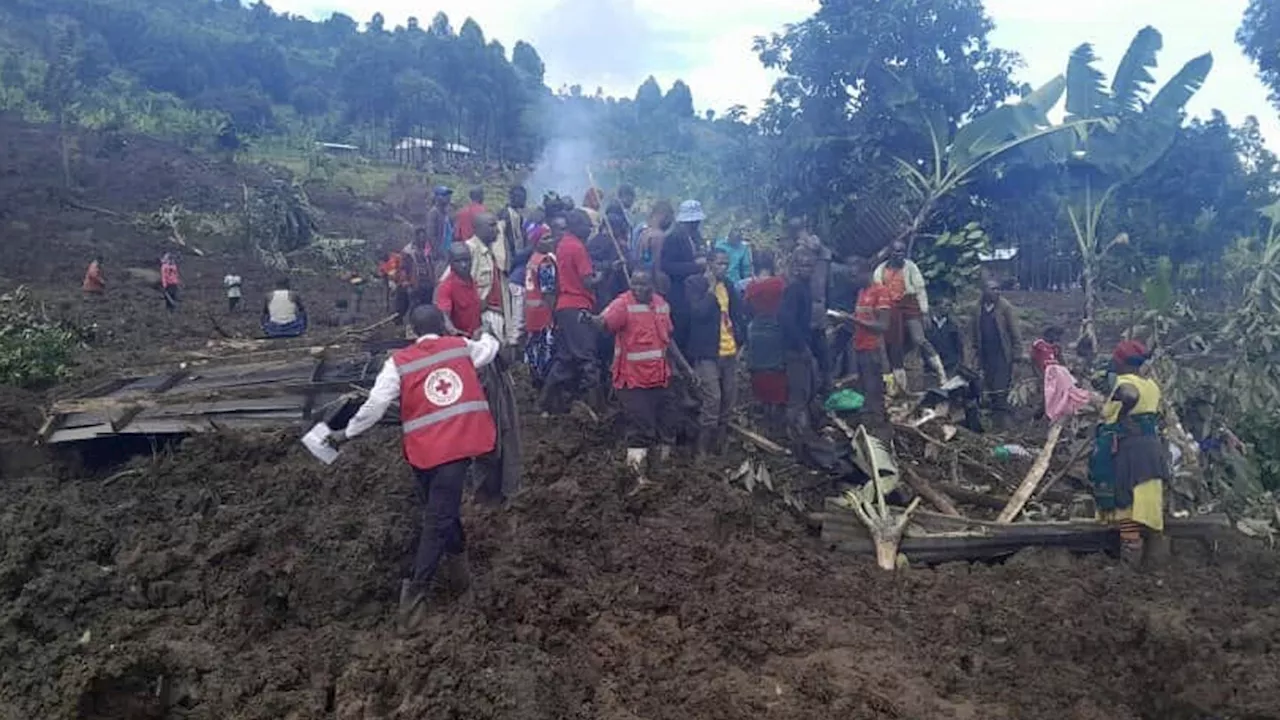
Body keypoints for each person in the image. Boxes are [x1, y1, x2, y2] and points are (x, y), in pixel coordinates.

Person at [327, 305, 500, 623]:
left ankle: (435, 590)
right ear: (444, 325)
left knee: (437, 515)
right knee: (440, 517)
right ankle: (436, 590)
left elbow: (375, 405)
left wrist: (346, 433)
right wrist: (486, 333)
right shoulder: (460, 347)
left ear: (410, 331)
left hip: (423, 453)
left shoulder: (398, 362)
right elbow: (490, 349)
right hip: (457, 447)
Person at [589, 269, 694, 488]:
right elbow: (604, 323)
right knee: (641, 428)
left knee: (668, 424)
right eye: (634, 284)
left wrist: (686, 368)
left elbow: (669, 341)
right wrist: (590, 320)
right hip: (632, 380)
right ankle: (635, 477)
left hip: (659, 378)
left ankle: (663, 470)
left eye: (643, 284)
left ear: (652, 285)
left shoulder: (662, 305)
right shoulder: (622, 304)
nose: (638, 289)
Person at [1090, 340, 1169, 563]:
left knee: (1126, 503)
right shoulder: (1152, 385)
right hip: (1151, 448)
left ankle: (1129, 565)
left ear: (1121, 361)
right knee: (1145, 499)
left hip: (1128, 450)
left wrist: (1098, 403)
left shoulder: (1123, 382)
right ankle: (1154, 557)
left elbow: (1109, 412)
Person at [541, 209, 600, 414]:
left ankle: (546, 403)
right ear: (577, 226)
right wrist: (606, 273)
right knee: (587, 357)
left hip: (564, 307)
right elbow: (588, 281)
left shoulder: (563, 244)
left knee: (565, 357)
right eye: (587, 226)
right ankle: (594, 406)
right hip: (577, 306)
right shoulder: (578, 247)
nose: (590, 229)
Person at [686, 249, 744, 455]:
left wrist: (740, 341)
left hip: (728, 350)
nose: (724, 268)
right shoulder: (694, 284)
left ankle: (720, 446)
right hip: (707, 352)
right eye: (720, 263)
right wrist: (711, 289)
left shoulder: (728, 285)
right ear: (709, 264)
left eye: (726, 264)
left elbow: (737, 314)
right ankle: (701, 449)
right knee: (713, 399)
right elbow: (698, 313)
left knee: (729, 398)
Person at [875, 240, 948, 390]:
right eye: (896, 251)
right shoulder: (880, 270)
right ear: (890, 253)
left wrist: (924, 312)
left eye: (902, 251)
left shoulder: (910, 267)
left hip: (909, 303)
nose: (899, 254)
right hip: (890, 307)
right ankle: (901, 386)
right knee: (894, 345)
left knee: (919, 339)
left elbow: (920, 289)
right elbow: (878, 292)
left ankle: (941, 372)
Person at [779, 218, 833, 388]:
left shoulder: (819, 255)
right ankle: (814, 392)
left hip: (816, 312)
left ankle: (822, 390)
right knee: (812, 358)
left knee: (822, 357)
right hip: (807, 315)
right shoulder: (800, 256)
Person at [454, 212, 515, 346]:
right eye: (492, 225)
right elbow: (452, 285)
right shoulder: (468, 250)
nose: (497, 230)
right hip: (482, 317)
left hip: (497, 313)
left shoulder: (493, 250)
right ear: (478, 228)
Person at [743, 250, 787, 431]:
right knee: (776, 369)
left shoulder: (751, 287)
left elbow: (746, 309)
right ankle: (777, 412)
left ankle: (764, 406)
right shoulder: (779, 284)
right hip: (776, 329)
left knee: (758, 368)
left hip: (756, 330)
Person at [780, 249, 821, 439]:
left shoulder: (804, 287)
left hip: (803, 346)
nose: (808, 269)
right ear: (796, 267)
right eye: (804, 265)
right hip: (796, 350)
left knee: (807, 391)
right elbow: (786, 320)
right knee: (798, 394)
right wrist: (802, 346)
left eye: (811, 266)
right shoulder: (795, 289)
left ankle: (802, 432)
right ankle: (794, 435)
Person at [850, 258, 892, 436]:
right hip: (860, 346)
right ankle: (868, 425)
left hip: (873, 348)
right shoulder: (861, 292)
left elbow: (883, 326)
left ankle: (879, 427)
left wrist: (855, 320)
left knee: (874, 388)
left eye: (855, 274)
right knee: (865, 387)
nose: (853, 278)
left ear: (866, 273)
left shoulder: (880, 292)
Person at [972, 279, 1021, 430]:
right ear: (984, 291)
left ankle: (1005, 424)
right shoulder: (977, 308)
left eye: (998, 289)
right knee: (989, 388)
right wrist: (974, 356)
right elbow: (974, 334)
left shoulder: (1005, 307)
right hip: (986, 355)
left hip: (1002, 355)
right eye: (992, 289)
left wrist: (1017, 358)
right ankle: (993, 423)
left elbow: (1015, 334)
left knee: (1001, 390)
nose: (996, 292)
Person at [659, 200, 707, 354]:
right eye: (692, 222)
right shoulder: (674, 237)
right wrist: (695, 267)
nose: (696, 225)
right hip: (679, 293)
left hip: (694, 292)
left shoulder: (696, 237)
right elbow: (667, 266)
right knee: (680, 330)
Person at [524, 225, 560, 389]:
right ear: (536, 241)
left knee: (533, 347)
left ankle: (534, 379)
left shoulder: (533, 258)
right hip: (543, 312)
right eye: (545, 238)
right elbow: (549, 291)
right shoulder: (545, 262)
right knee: (545, 349)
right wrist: (554, 314)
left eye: (551, 237)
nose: (550, 241)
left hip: (531, 312)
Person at [434, 243, 483, 337]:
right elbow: (444, 317)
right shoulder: (446, 287)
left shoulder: (473, 281)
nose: (464, 265)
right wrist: (456, 333)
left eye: (466, 260)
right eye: (458, 261)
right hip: (460, 341)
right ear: (451, 263)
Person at [926, 295, 966, 376]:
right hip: (931, 367)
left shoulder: (953, 325)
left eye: (950, 306)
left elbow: (960, 346)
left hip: (951, 366)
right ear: (937, 306)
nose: (948, 308)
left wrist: (959, 363)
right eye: (946, 305)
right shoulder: (927, 325)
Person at [635, 200, 673, 275]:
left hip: (640, 274)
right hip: (652, 277)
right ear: (663, 216)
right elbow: (657, 262)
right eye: (669, 217)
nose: (670, 221)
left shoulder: (643, 233)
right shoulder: (659, 236)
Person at [424, 186, 454, 270]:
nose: (448, 197)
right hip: (437, 255)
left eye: (448, 195)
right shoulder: (433, 213)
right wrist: (439, 252)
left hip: (447, 251)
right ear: (437, 197)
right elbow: (431, 235)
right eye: (444, 195)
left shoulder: (445, 213)